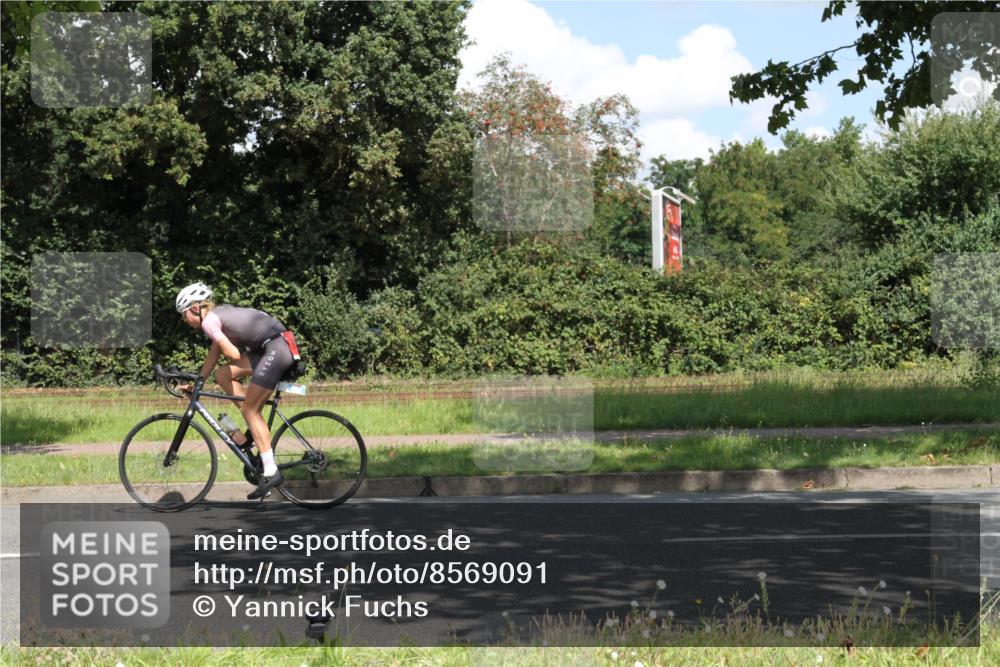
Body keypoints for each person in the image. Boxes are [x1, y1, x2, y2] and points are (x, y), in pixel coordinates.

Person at [174, 282, 294, 500]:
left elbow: (233, 354)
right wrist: (198, 383)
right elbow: (214, 354)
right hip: (273, 346)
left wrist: (223, 342)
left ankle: (271, 472)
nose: (184, 320)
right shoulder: (216, 316)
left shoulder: (209, 322)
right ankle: (254, 423)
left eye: (184, 315)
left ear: (195, 308)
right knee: (222, 375)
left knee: (250, 410)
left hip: (276, 348)